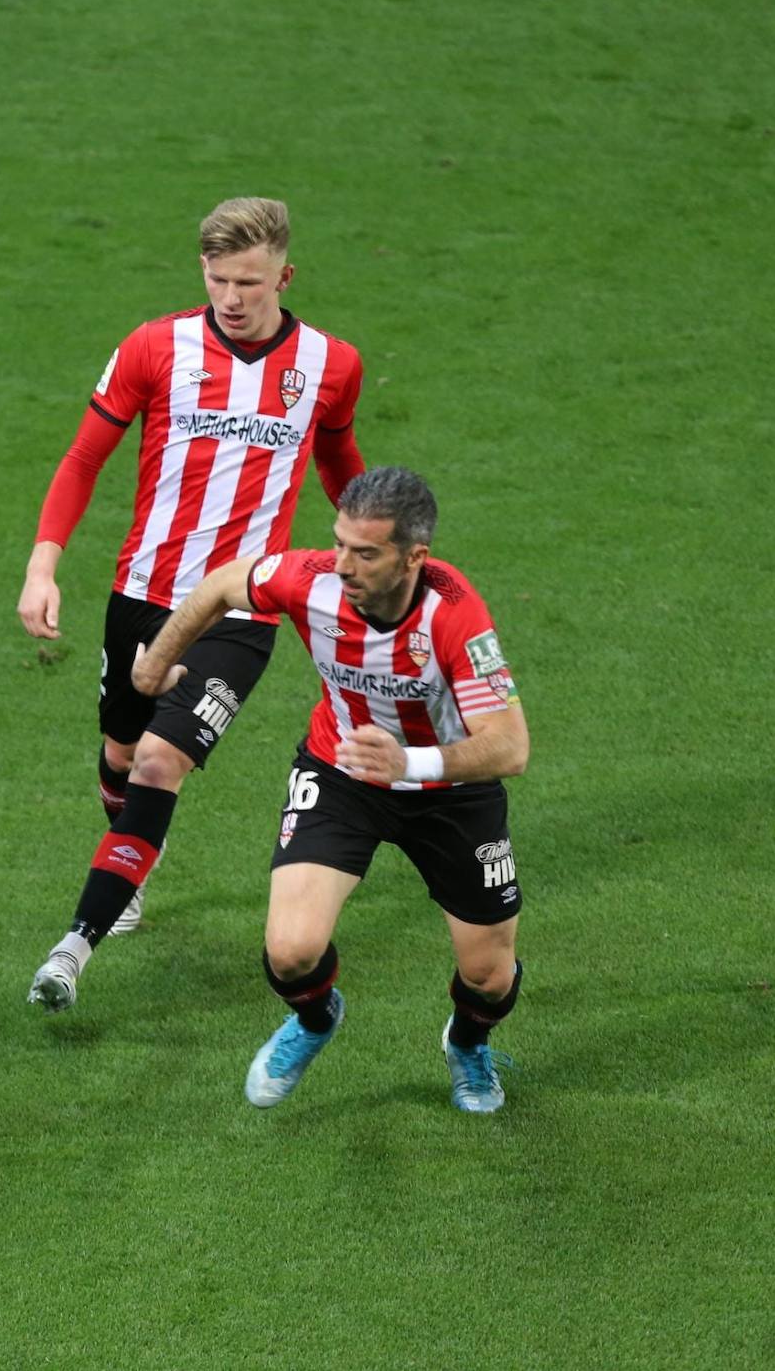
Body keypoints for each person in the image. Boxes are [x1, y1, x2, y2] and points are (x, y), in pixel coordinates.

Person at [19, 196, 366, 1012]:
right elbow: (82, 457)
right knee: (117, 756)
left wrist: (365, 564)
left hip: (242, 610)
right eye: (218, 281)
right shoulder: (154, 346)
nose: (233, 298)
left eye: (249, 281)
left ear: (285, 274)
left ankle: (73, 949)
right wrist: (44, 565)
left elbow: (340, 464)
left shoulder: (331, 365)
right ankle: (128, 848)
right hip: (143, 594)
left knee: (157, 762)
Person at [131, 467, 529, 1113]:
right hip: (341, 771)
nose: (343, 564)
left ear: (413, 558)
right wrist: (154, 662)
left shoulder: (455, 615)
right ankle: (316, 1020)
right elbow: (222, 585)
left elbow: (511, 746)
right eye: (340, 542)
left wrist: (412, 761)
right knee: (290, 952)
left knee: (489, 976)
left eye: (365, 552)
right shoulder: (309, 579)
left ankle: (468, 1043)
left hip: (449, 788)